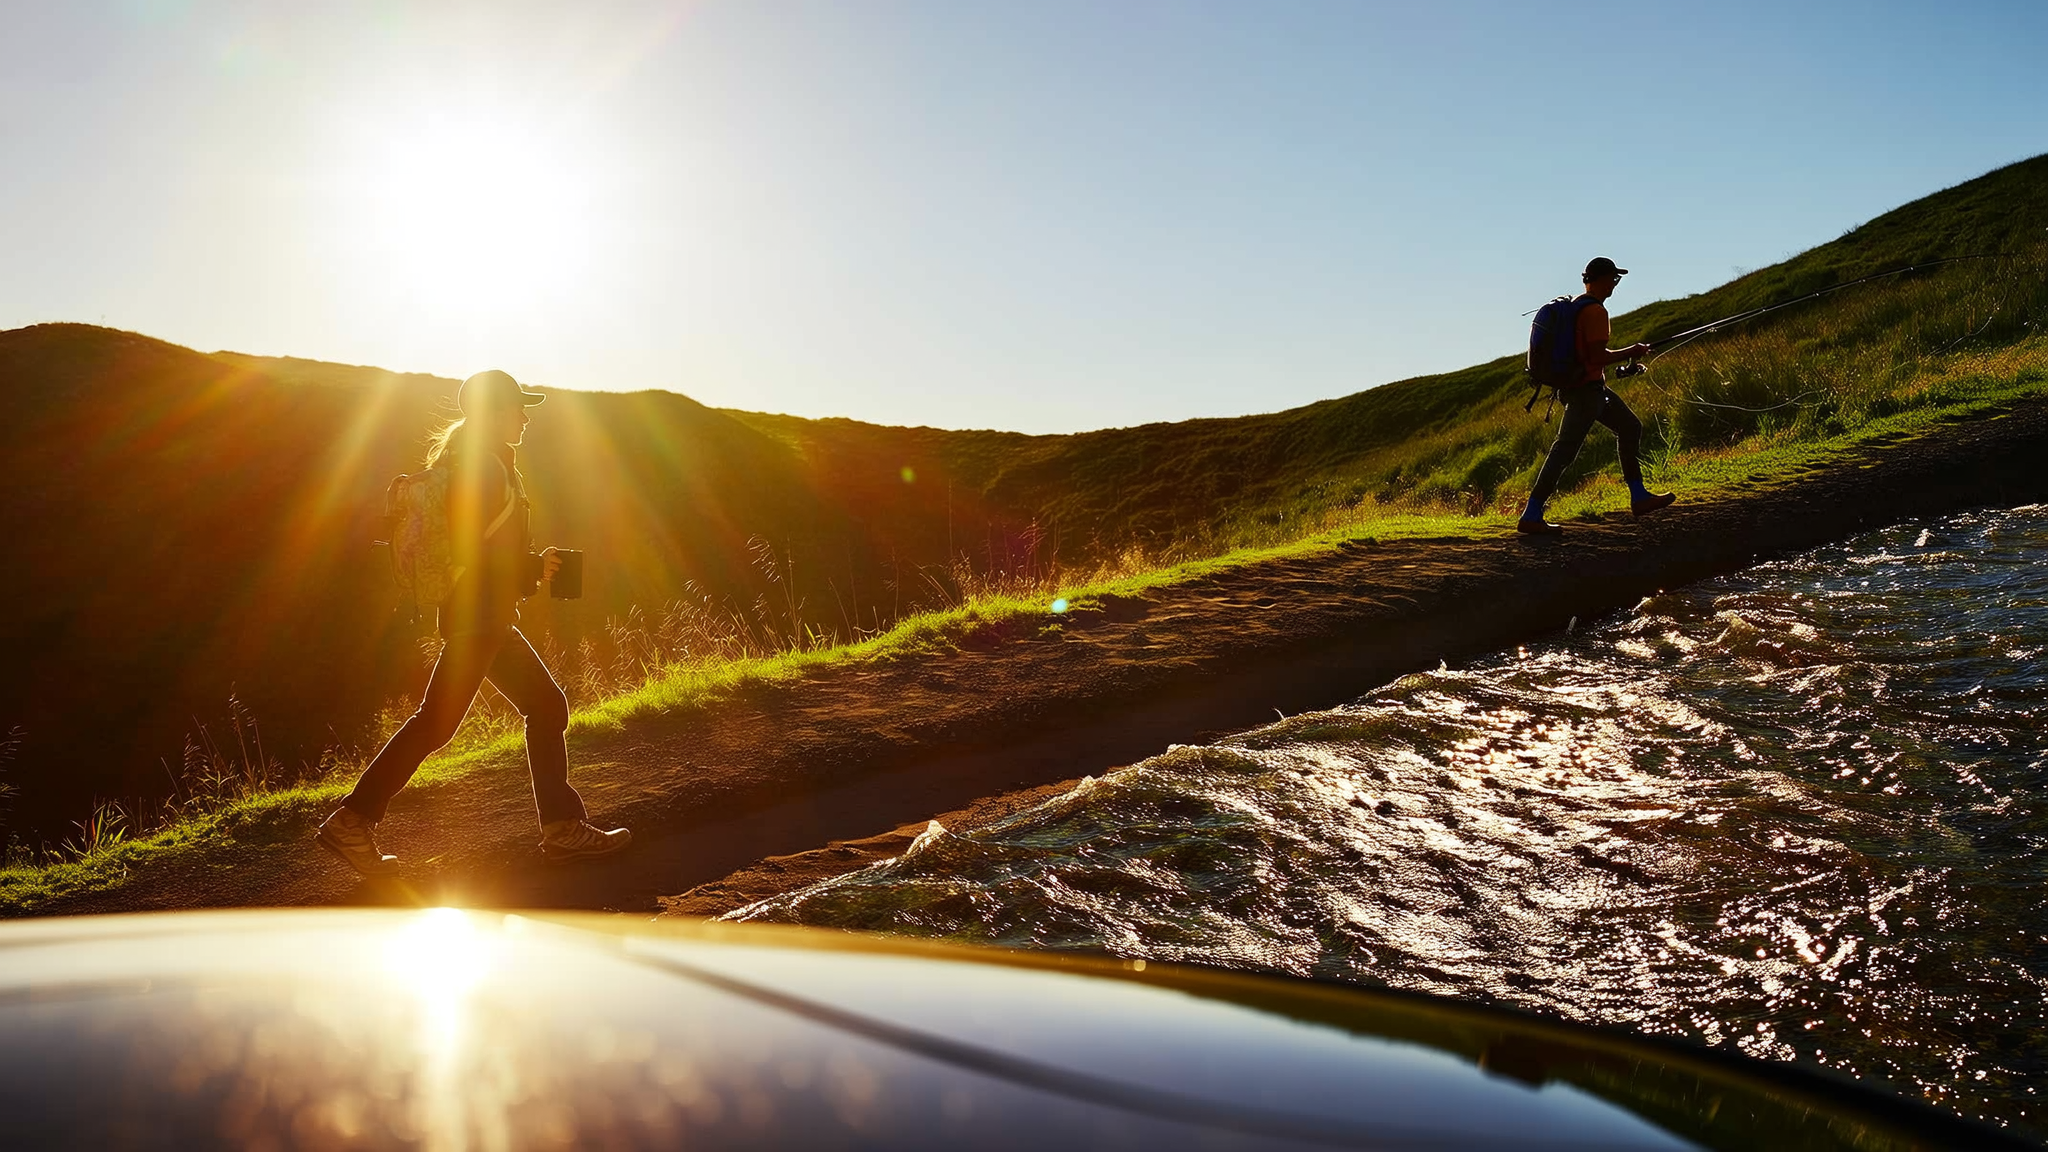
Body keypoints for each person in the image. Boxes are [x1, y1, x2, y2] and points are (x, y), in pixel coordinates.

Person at [317, 369, 631, 876]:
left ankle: (560, 828)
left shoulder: (481, 464)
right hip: (478, 615)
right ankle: (352, 821)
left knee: (537, 708)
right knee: (443, 722)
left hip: (482, 613)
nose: (525, 416)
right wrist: (533, 567)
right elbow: (473, 550)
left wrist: (528, 566)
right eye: (516, 408)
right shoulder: (482, 469)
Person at [1516, 257, 1675, 534]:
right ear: (1601, 279)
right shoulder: (1596, 312)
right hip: (1584, 393)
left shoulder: (1577, 305)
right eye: (1614, 278)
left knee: (1629, 427)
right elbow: (1596, 355)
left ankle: (1639, 497)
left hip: (1587, 388)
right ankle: (1531, 514)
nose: (1615, 284)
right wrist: (1632, 351)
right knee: (1564, 450)